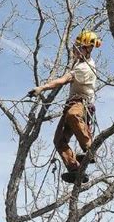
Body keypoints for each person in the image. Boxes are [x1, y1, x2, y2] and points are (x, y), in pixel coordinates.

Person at [28, 31, 101, 183]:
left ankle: (89, 148)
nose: (75, 51)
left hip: (81, 103)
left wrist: (42, 88)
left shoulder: (85, 68)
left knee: (72, 116)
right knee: (59, 140)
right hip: (71, 105)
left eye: (79, 48)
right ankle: (75, 169)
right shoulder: (79, 63)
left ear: (88, 49)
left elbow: (63, 80)